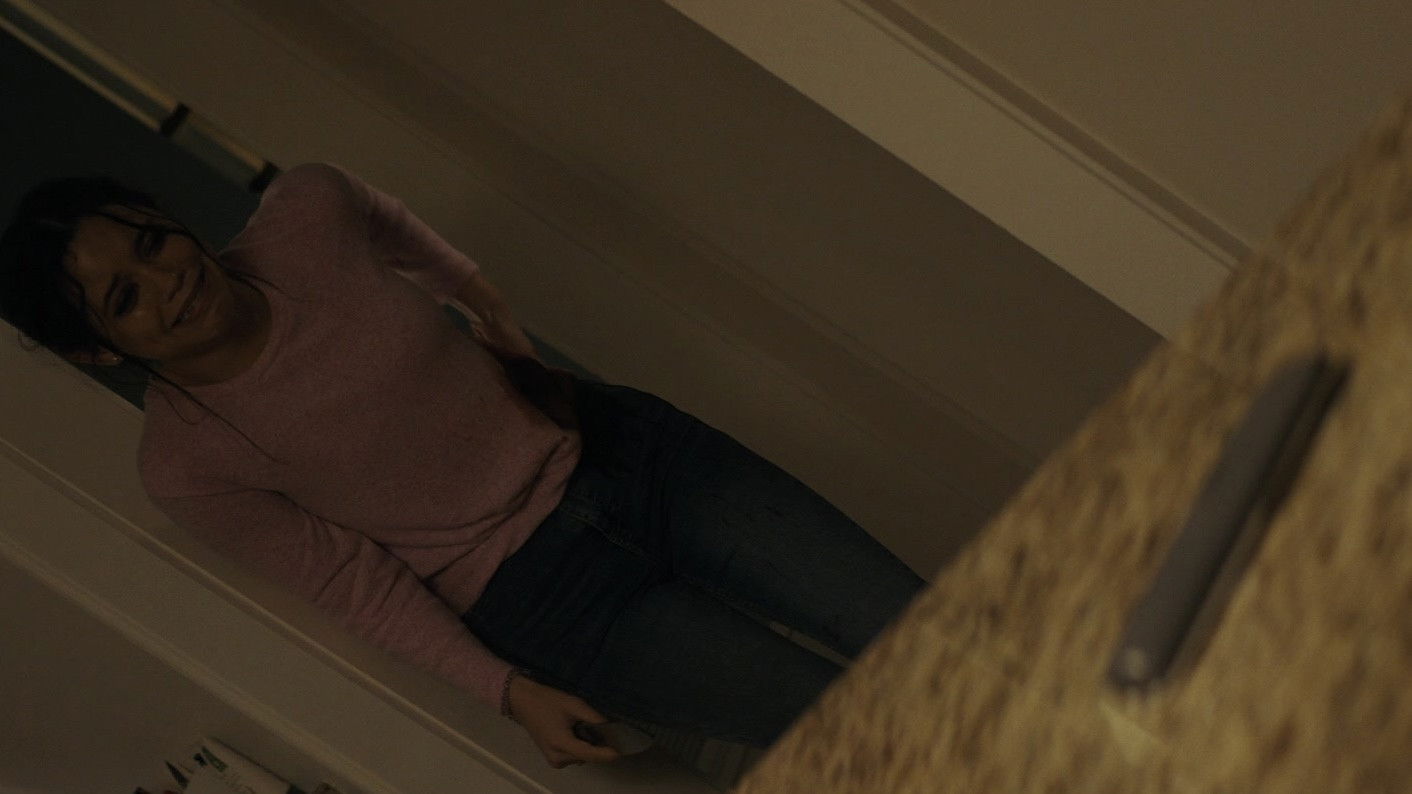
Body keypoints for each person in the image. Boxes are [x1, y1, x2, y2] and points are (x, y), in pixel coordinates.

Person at [0, 162, 927, 770]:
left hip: (638, 456)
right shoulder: (186, 465)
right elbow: (356, 585)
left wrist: (479, 299)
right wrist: (507, 692)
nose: (167, 280)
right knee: (862, 729)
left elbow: (379, 213)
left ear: (164, 218)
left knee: (927, 624)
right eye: (124, 298)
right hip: (552, 601)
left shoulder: (306, 215)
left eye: (150, 243)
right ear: (99, 350)